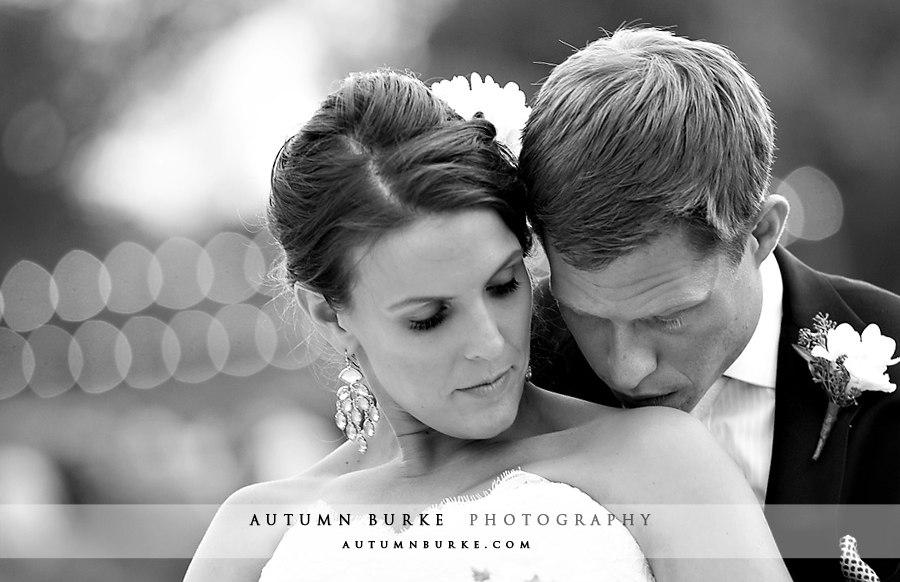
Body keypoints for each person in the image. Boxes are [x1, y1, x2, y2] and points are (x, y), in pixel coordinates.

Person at [182, 69, 790, 582]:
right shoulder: (254, 533)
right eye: (430, 317)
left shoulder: (661, 461)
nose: (491, 345)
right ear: (329, 316)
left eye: (503, 287)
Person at [520, 26, 900, 582]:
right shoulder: (512, 368)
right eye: (587, 314)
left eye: (667, 315)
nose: (626, 369)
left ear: (762, 232)